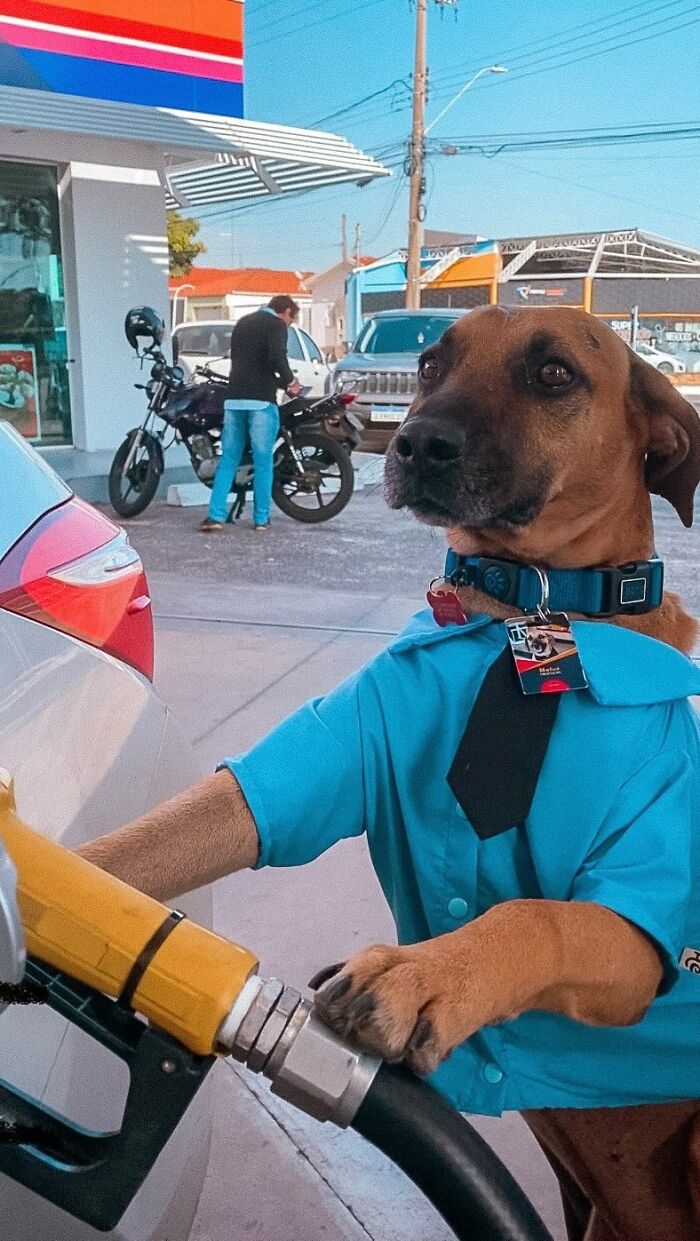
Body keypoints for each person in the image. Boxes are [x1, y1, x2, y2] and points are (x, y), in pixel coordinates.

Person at [198, 295, 302, 533]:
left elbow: (243, 360)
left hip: (234, 400)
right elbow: (276, 357)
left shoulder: (243, 322)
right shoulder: (276, 325)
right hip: (260, 403)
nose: (289, 324)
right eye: (291, 319)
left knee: (229, 459)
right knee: (263, 462)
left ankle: (215, 516)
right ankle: (261, 519)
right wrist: (290, 382)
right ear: (285, 311)